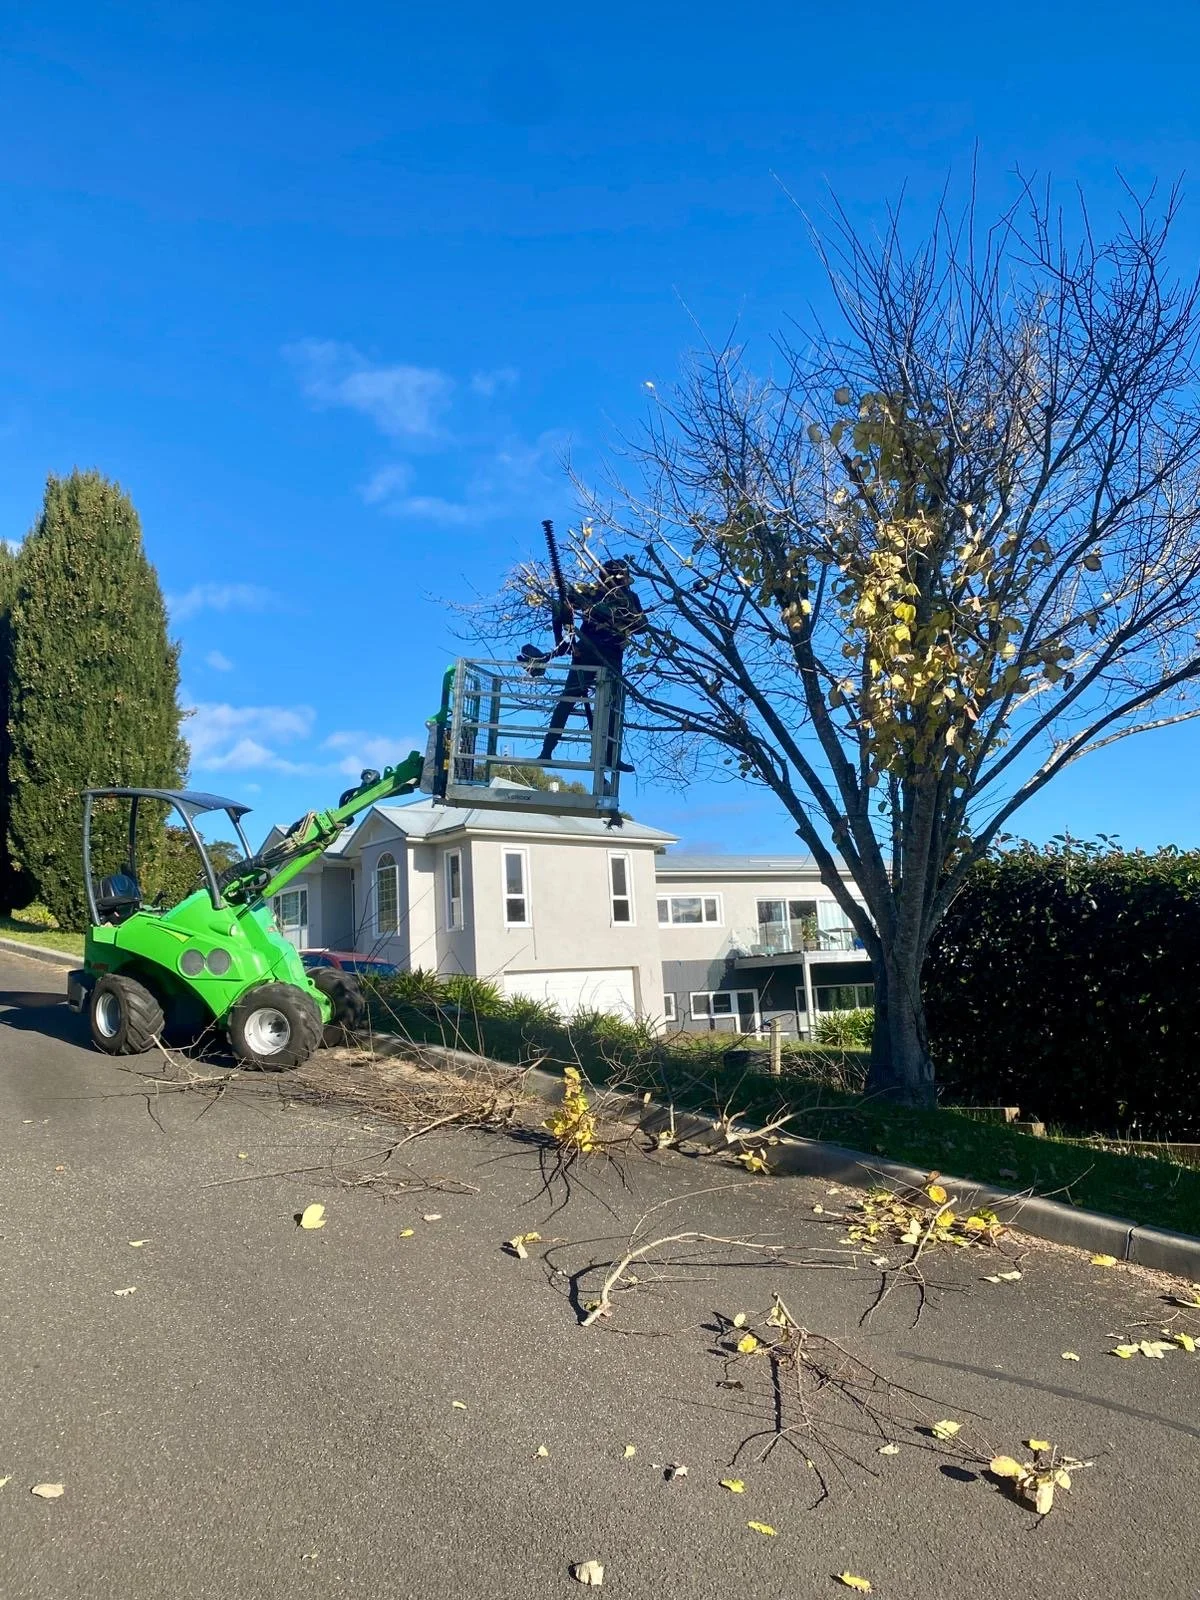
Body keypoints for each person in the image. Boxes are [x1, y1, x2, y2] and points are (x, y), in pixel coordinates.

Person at [522, 559, 646, 768]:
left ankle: (610, 756)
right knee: (567, 700)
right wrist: (566, 636)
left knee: (613, 706)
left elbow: (642, 626)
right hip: (586, 651)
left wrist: (624, 620)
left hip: (613, 655)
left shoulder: (629, 598)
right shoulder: (591, 592)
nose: (625, 581)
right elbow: (563, 607)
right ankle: (547, 750)